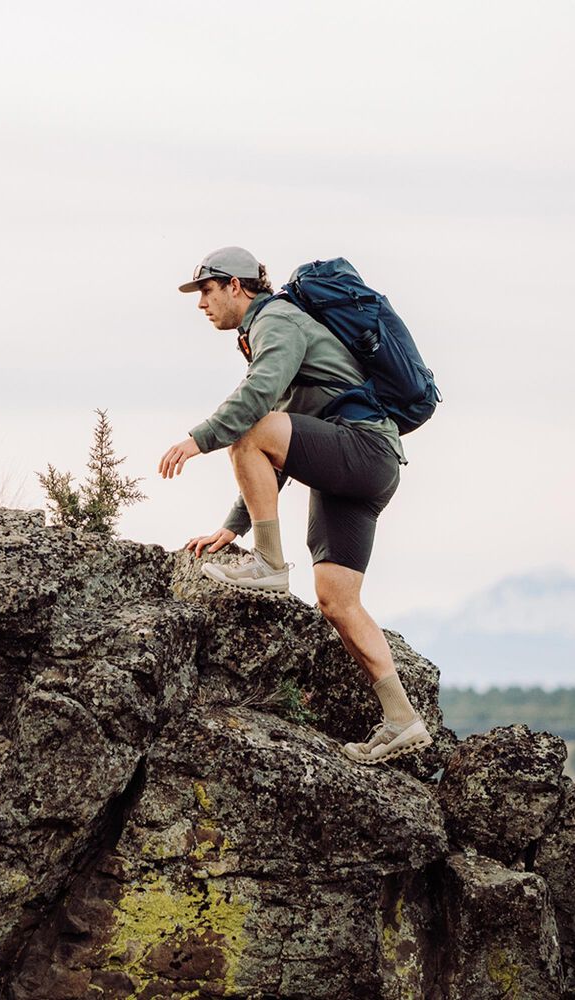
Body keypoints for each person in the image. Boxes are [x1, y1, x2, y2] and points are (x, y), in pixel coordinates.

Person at [158, 246, 430, 766]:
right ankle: (402, 719)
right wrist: (233, 527)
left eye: (207, 291)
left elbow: (258, 404)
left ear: (236, 286)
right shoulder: (271, 328)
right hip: (367, 464)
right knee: (337, 601)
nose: (201, 304)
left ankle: (269, 564)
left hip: (363, 447)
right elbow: (277, 452)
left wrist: (199, 439)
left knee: (246, 431)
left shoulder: (275, 320)